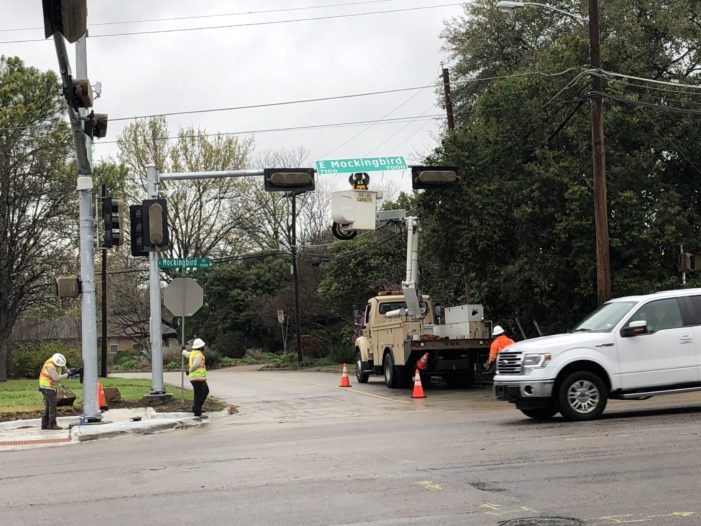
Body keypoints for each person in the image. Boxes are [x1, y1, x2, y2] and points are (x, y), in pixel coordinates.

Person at [38, 353, 75, 430]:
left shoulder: (58, 361)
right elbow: (56, 378)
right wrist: (67, 375)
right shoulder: (50, 366)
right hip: (46, 387)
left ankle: (45, 424)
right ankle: (52, 424)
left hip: (49, 387)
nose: (59, 366)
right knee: (53, 405)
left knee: (49, 405)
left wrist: (68, 371)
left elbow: (64, 367)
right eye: (59, 365)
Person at [182, 338, 210, 418]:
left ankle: (197, 408)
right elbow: (195, 365)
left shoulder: (193, 353)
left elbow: (186, 354)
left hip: (195, 378)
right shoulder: (198, 355)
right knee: (201, 394)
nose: (203, 347)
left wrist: (183, 350)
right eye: (202, 346)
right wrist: (189, 370)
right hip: (198, 378)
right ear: (200, 347)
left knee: (201, 393)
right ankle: (197, 411)